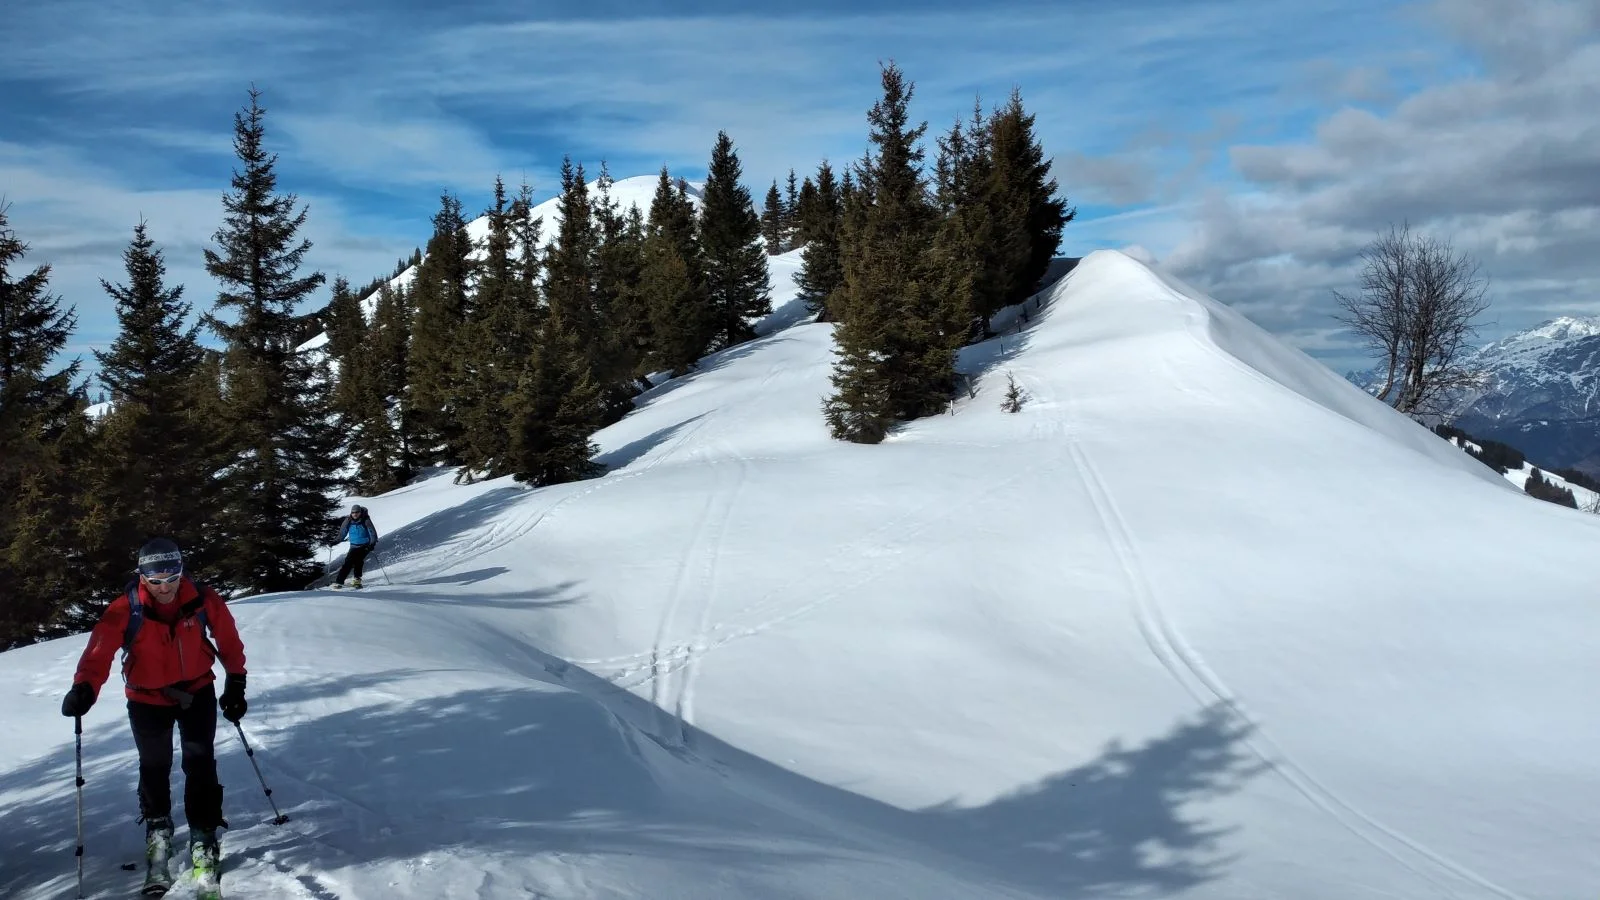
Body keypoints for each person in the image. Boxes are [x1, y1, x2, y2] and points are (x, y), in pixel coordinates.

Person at [60, 537, 247, 893]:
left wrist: (236, 682)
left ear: (181, 571)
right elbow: (98, 651)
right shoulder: (125, 609)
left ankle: (203, 836)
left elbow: (228, 639)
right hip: (146, 698)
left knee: (200, 761)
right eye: (156, 580)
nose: (165, 587)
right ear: (142, 576)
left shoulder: (203, 600)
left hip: (196, 692)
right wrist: (85, 687)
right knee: (154, 764)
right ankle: (158, 831)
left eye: (172, 577)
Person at [332, 504, 379, 589]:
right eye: (353, 512)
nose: (355, 514)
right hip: (353, 546)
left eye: (357, 512)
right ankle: (339, 582)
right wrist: (335, 541)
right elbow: (342, 533)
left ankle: (357, 580)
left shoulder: (365, 520)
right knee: (348, 563)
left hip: (365, 545)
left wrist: (372, 544)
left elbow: (372, 532)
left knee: (358, 561)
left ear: (360, 512)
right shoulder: (348, 520)